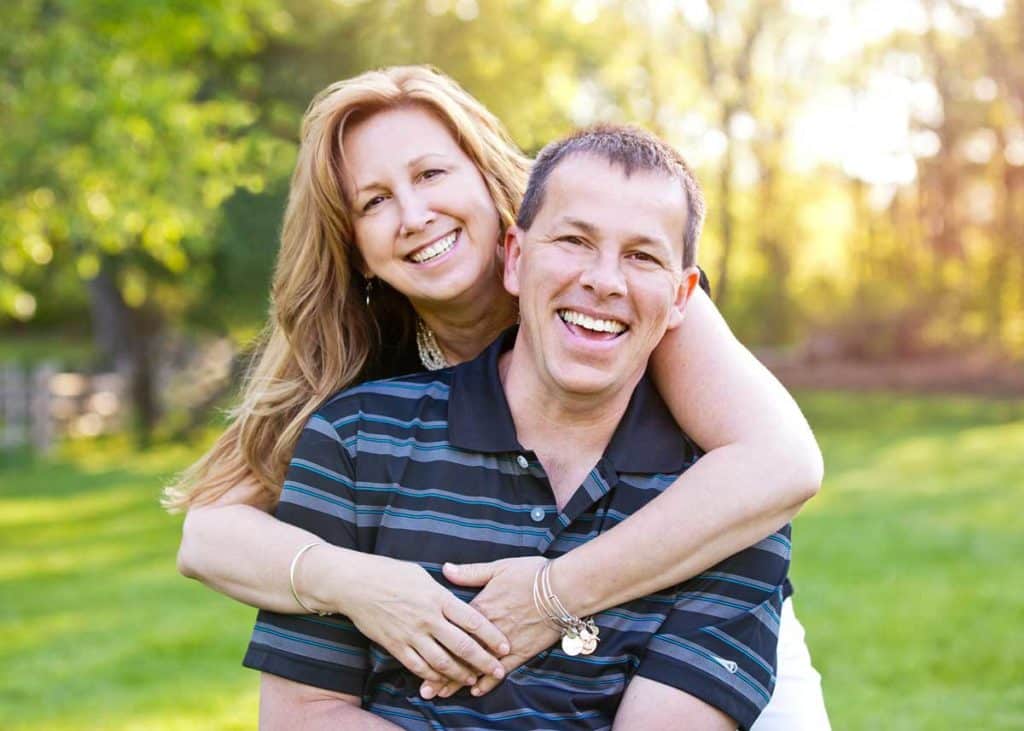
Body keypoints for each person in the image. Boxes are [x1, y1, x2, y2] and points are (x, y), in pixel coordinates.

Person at [165, 66, 829, 728]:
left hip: (690, 579)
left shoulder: (609, 279)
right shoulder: (363, 383)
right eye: (374, 201)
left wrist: (550, 594)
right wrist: (365, 585)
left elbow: (780, 463)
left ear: (489, 180)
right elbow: (207, 535)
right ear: (356, 247)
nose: (415, 214)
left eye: (431, 175)